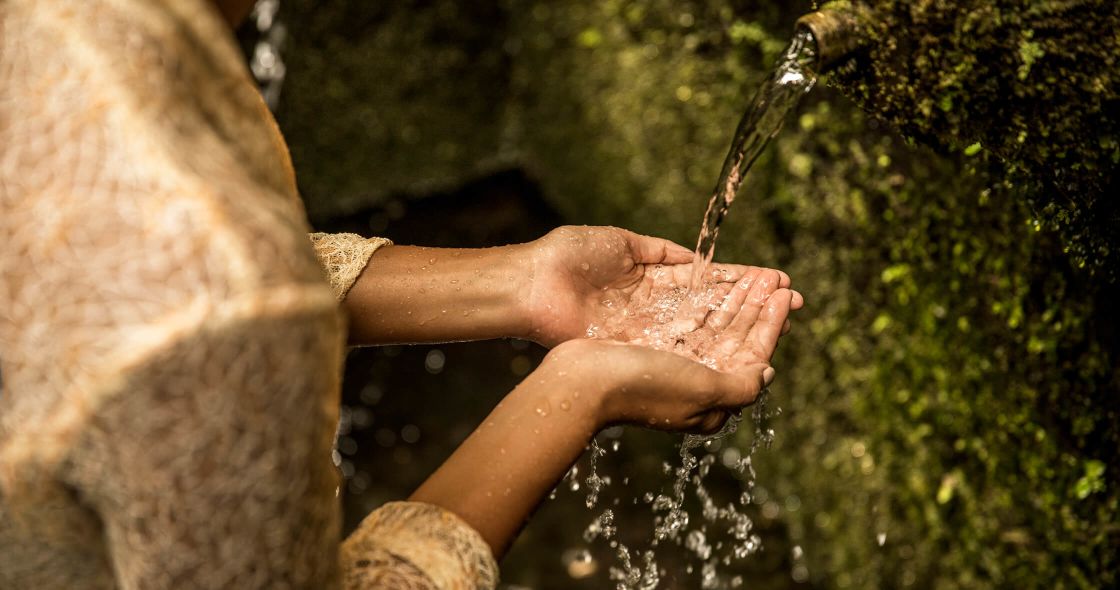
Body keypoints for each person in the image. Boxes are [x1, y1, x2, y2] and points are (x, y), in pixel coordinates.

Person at [0, 0, 802, 588]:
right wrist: (579, 389)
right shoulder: (213, 300)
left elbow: (94, 285)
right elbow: (194, 298)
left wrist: (522, 282)